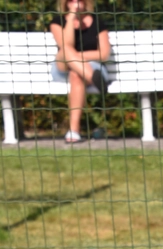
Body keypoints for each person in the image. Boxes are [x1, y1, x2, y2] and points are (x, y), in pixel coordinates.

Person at [49, 0, 112, 143]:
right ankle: (94, 79)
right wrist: (71, 17)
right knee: (66, 49)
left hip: (92, 65)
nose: (76, 2)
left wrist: (76, 58)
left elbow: (103, 54)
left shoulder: (97, 22)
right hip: (62, 67)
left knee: (76, 74)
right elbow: (66, 45)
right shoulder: (57, 22)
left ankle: (74, 131)